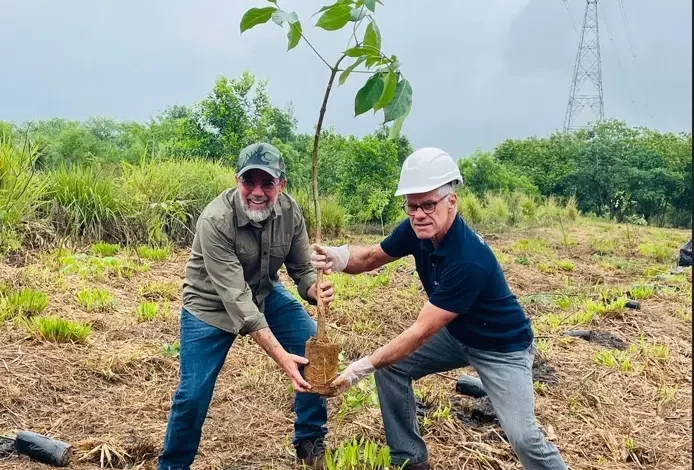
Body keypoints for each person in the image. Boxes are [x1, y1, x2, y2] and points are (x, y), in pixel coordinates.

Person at [310, 148, 568, 470]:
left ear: (451, 201)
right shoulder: (416, 229)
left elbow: (419, 332)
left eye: (428, 204)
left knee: (523, 436)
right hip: (457, 333)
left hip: (502, 348)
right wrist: (338, 257)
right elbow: (370, 257)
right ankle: (411, 460)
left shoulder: (469, 260)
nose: (419, 214)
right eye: (412, 205)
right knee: (392, 367)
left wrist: (357, 370)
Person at [158, 142, 335, 470]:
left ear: (281, 185)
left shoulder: (291, 212)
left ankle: (309, 440)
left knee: (311, 342)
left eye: (267, 183)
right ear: (237, 180)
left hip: (265, 292)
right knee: (193, 394)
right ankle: (173, 465)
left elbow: (300, 269)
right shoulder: (215, 220)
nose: (257, 191)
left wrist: (314, 289)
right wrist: (281, 357)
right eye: (248, 181)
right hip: (210, 306)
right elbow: (237, 300)